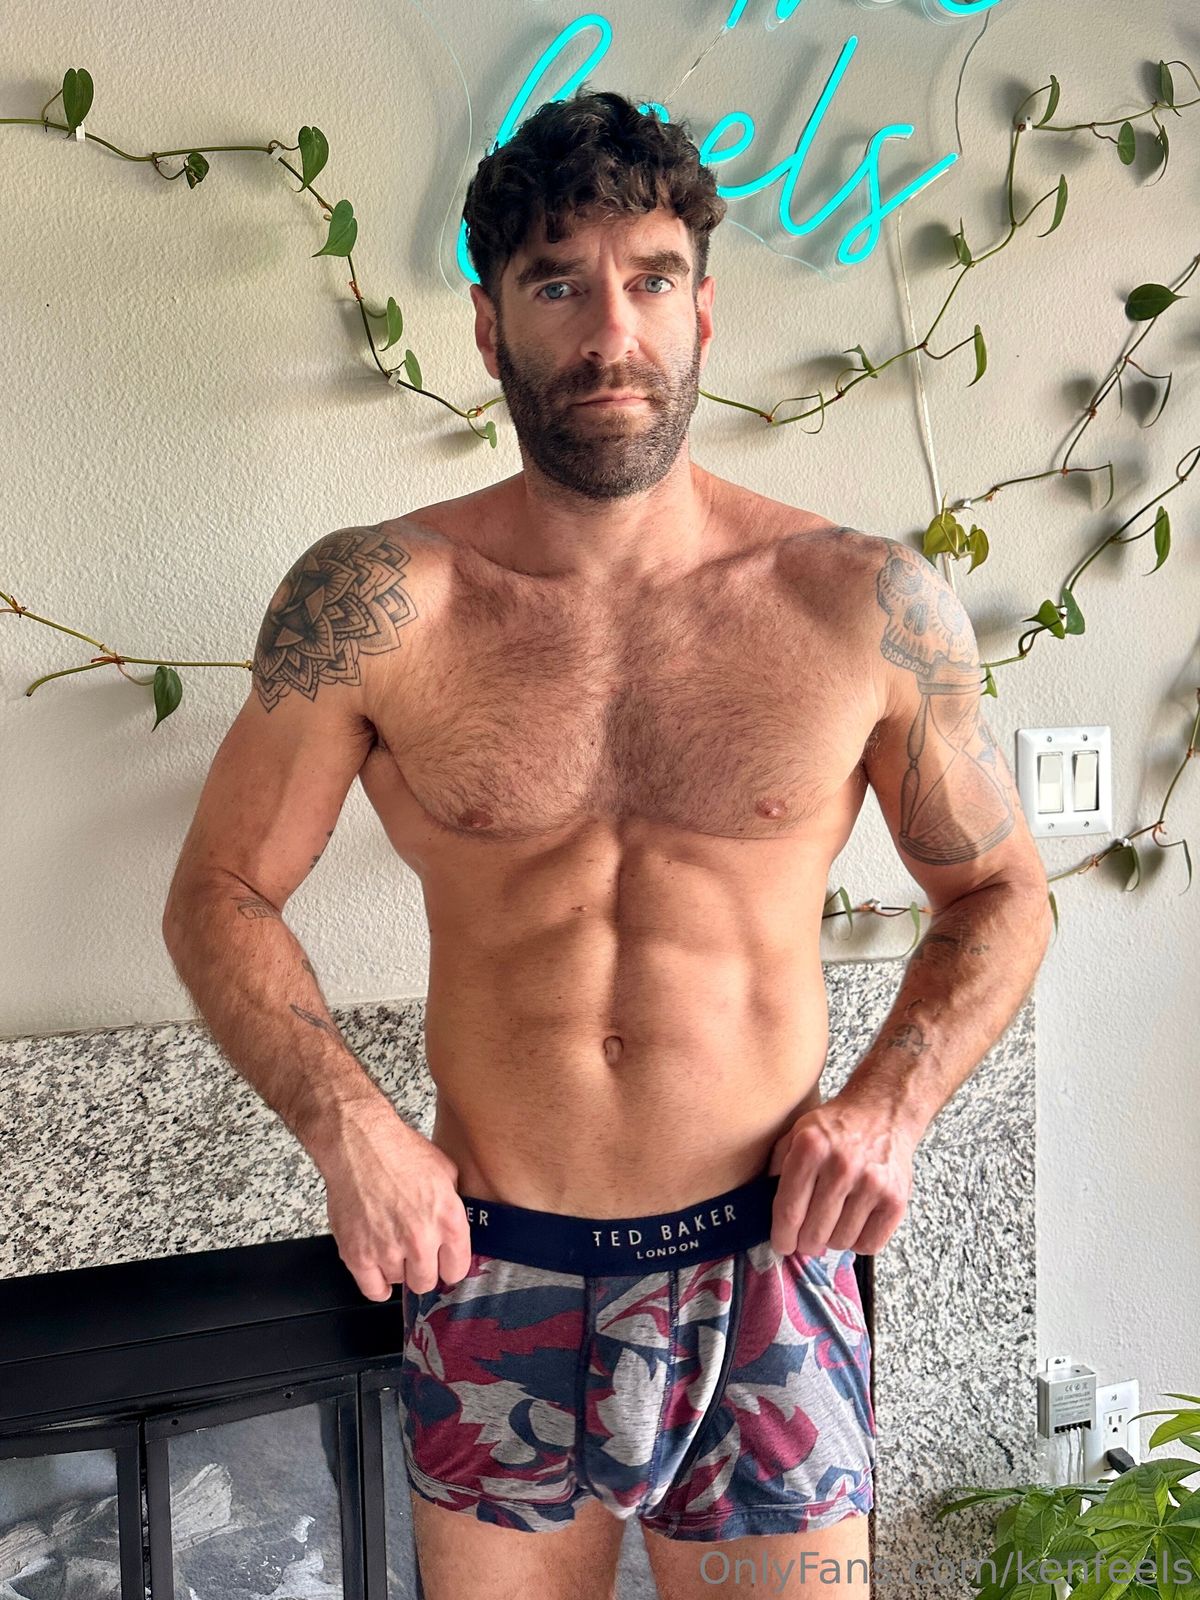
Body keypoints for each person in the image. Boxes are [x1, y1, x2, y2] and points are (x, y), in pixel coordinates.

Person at [162, 85, 1053, 1600]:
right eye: (558, 285)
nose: (611, 333)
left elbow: (1001, 891)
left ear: (704, 313)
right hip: (491, 1267)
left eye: (649, 280)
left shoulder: (861, 601)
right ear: (489, 324)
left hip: (768, 1268)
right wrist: (351, 1131)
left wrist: (891, 1108)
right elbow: (221, 890)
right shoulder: (377, 603)